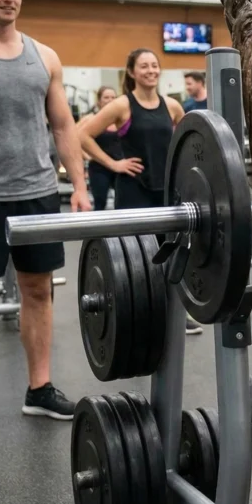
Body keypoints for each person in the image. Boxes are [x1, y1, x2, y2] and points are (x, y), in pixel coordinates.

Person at [0, 0, 92, 419]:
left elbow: (63, 125)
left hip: (36, 192)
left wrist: (79, 185)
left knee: (38, 291)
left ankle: (39, 388)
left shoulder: (44, 56)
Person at [78, 48, 202, 334]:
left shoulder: (172, 106)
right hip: (134, 190)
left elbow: (190, 138)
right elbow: (82, 135)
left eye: (154, 65)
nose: (150, 71)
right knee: (135, 258)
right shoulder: (122, 105)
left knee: (170, 253)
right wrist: (114, 164)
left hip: (166, 191)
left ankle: (174, 316)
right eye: (144, 66)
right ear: (132, 72)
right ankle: (137, 316)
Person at [78, 86, 119, 210]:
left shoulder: (121, 119)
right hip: (99, 167)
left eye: (113, 97)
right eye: (106, 97)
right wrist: (86, 156)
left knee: (123, 203)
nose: (110, 100)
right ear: (99, 101)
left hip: (120, 166)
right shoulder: (90, 119)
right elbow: (72, 138)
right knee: (100, 202)